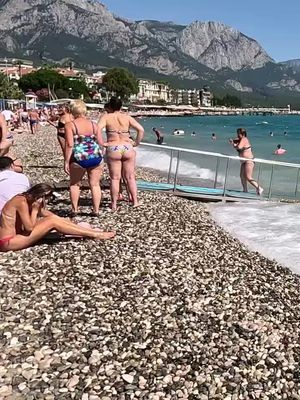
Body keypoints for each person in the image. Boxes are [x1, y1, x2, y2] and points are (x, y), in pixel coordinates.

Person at [0, 183, 115, 252]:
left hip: (17, 237)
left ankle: (89, 231)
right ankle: (95, 234)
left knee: (53, 220)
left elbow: (49, 215)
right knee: (52, 222)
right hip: (8, 242)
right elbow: (29, 228)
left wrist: (69, 223)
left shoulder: (28, 199)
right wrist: (35, 210)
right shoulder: (21, 202)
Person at [98, 97, 144, 211]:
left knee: (115, 178)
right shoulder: (127, 117)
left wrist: (102, 143)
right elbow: (141, 130)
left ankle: (113, 204)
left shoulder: (106, 117)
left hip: (114, 147)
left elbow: (97, 130)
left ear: (110, 106)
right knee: (130, 177)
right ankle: (135, 201)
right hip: (126, 147)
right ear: (120, 106)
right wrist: (136, 143)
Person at [64, 100, 104, 216]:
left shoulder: (70, 125)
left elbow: (70, 144)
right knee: (95, 184)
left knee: (75, 184)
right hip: (96, 157)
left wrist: (66, 161)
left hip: (79, 158)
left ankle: (75, 210)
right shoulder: (94, 125)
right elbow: (101, 142)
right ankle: (96, 210)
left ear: (72, 111)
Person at [230, 128, 263, 195]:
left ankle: (259, 188)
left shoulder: (244, 139)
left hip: (249, 160)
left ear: (243, 134)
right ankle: (245, 190)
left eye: (238, 133)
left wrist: (233, 143)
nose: (237, 135)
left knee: (248, 177)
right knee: (242, 176)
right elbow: (239, 149)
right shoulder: (240, 140)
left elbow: (239, 147)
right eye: (237, 133)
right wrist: (234, 143)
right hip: (244, 161)